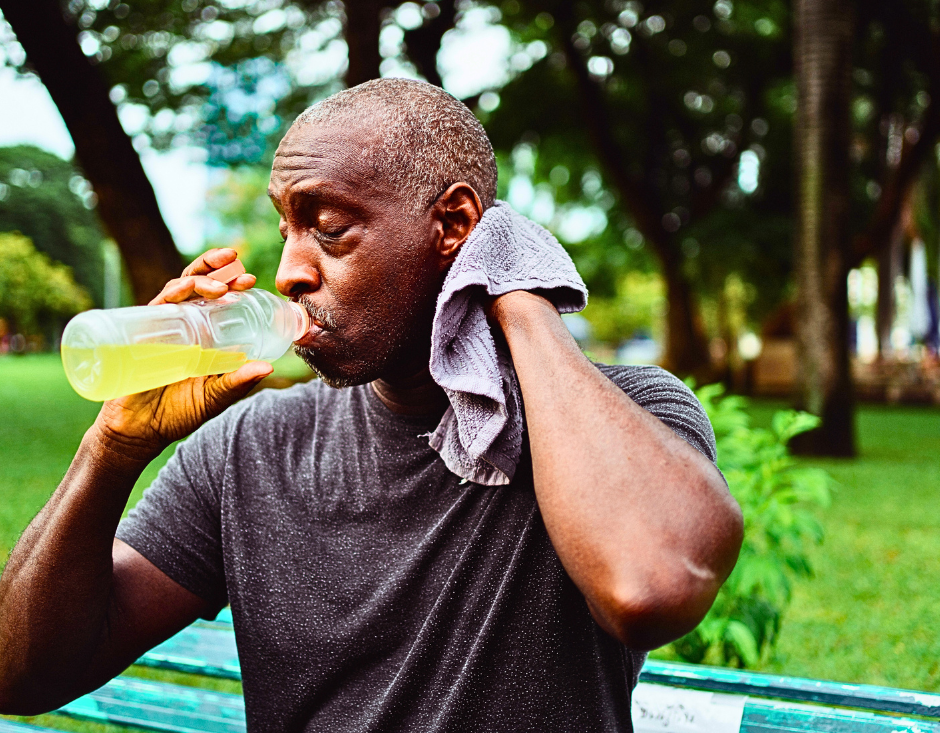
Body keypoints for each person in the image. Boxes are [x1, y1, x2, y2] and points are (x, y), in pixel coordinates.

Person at [0, 79, 742, 731]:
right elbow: (21, 676)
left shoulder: (624, 418)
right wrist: (113, 448)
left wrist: (519, 295)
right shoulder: (251, 447)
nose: (290, 270)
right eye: (289, 226)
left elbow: (651, 587)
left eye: (329, 228)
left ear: (455, 228)